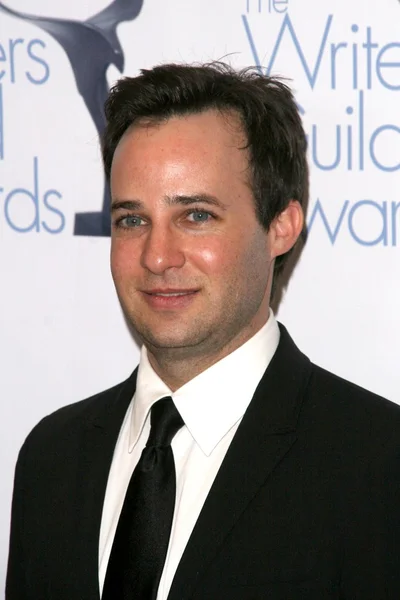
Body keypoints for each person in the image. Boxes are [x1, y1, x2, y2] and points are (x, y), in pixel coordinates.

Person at [6, 62, 400, 600]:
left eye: (195, 216)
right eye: (131, 220)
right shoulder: (53, 459)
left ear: (281, 226)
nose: (157, 256)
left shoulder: (378, 465)